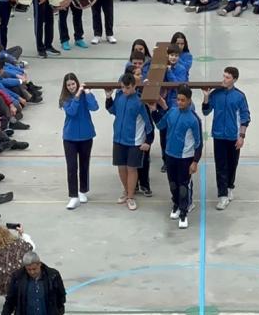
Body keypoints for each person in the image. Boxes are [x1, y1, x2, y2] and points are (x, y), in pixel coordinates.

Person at [202, 66, 250, 210]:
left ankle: (229, 187)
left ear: (234, 79)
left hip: (233, 136)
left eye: (227, 77)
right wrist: (206, 96)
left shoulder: (240, 96)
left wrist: (241, 136)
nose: (224, 79)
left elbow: (245, 117)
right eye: (224, 76)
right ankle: (222, 196)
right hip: (218, 135)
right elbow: (205, 111)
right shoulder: (216, 94)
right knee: (221, 166)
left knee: (232, 164)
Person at [153, 86, 202, 228]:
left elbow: (198, 143)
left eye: (183, 100)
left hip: (185, 158)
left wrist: (195, 162)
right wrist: (153, 111)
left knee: (183, 186)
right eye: (178, 100)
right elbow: (160, 125)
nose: (179, 102)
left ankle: (183, 214)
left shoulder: (193, 120)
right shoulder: (172, 112)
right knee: (172, 184)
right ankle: (175, 204)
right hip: (170, 155)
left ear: (189, 101)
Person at [105, 71, 153, 210]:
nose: (124, 90)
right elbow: (112, 110)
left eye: (127, 88)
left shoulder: (140, 102)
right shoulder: (119, 97)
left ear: (134, 86)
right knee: (121, 168)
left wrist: (148, 142)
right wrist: (108, 97)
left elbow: (148, 124)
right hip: (118, 139)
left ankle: (131, 197)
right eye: (122, 87)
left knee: (132, 169)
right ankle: (126, 191)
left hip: (134, 142)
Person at [60, 73, 98, 209]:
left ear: (77, 83)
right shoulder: (65, 99)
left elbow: (94, 107)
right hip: (70, 137)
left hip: (86, 136)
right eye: (68, 85)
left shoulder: (84, 96)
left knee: (84, 164)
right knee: (71, 167)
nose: (71, 87)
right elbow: (72, 112)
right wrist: (76, 96)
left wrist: (88, 93)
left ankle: (82, 191)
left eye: (73, 84)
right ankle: (73, 196)